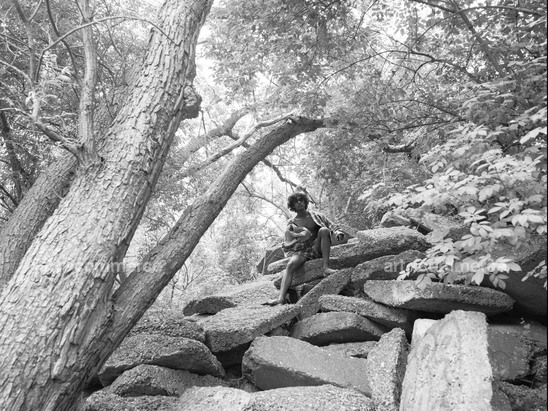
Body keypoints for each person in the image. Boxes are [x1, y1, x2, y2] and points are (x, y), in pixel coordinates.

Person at [264, 191, 345, 306]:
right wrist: (298, 239)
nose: (299, 203)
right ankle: (281, 298)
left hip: (317, 247)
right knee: (290, 265)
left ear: (305, 202)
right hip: (302, 251)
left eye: (301, 200)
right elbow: (286, 244)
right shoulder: (291, 223)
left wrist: (338, 232)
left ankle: (326, 268)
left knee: (324, 230)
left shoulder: (316, 216)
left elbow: (331, 225)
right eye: (296, 201)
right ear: (292, 205)